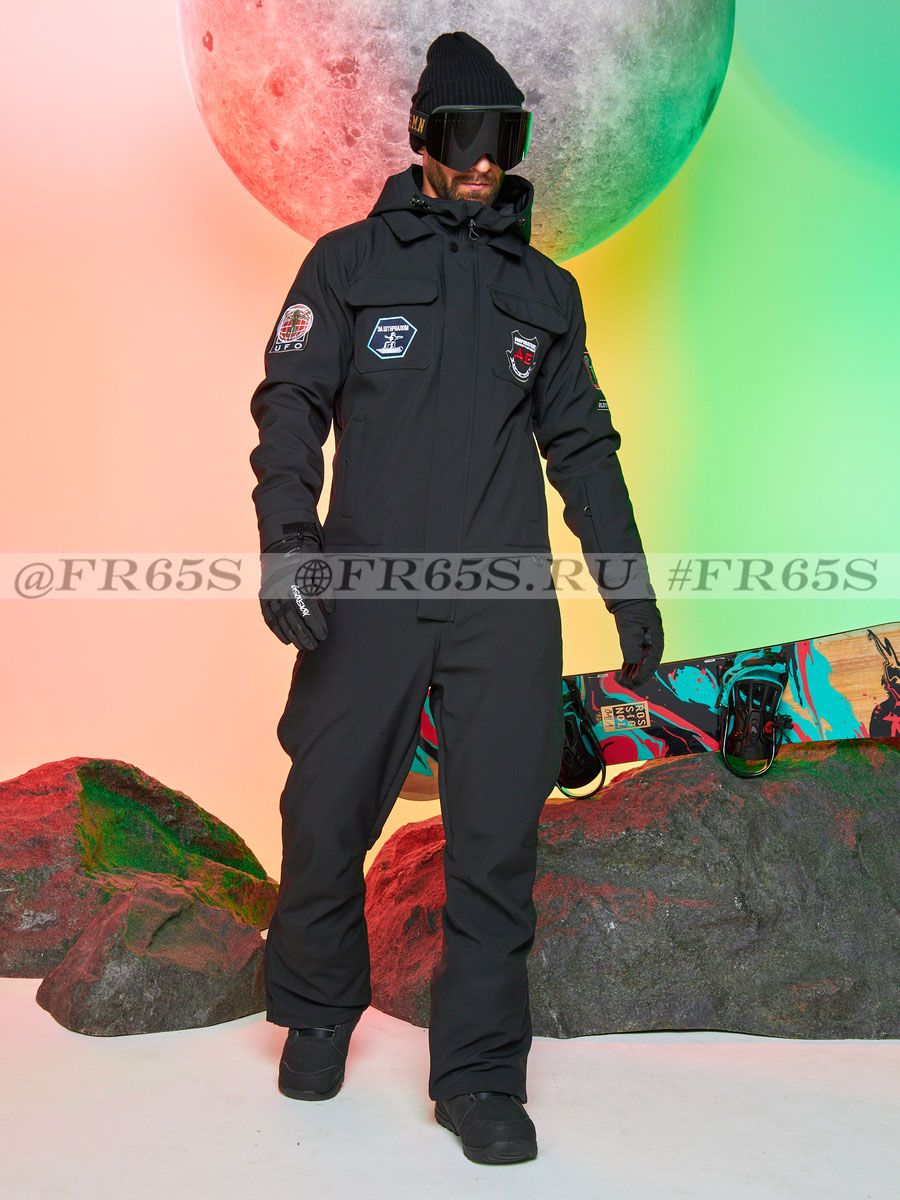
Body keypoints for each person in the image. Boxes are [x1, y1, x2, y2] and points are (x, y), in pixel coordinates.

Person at [249, 30, 664, 1166]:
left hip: (502, 603)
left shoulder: (546, 293)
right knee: (325, 812)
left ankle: (479, 1075)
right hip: (368, 590)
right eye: (463, 136)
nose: (484, 161)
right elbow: (290, 404)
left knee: (495, 840)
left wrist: (626, 589)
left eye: (505, 139)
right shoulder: (345, 263)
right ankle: (317, 1012)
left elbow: (584, 447)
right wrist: (289, 546)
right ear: (421, 138)